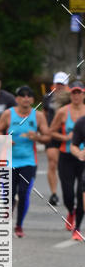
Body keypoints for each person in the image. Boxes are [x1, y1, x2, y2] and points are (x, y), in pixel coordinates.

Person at [0, 85, 50, 237]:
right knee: (9, 195)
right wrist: (5, 139)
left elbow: (47, 137)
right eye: (22, 96)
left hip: (28, 161)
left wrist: (37, 137)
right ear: (17, 99)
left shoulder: (38, 116)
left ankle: (19, 225)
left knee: (24, 193)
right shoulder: (8, 114)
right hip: (9, 161)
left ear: (32, 99)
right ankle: (6, 220)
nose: (26, 98)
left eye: (29, 96)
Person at [49, 80, 85, 235]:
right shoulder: (63, 112)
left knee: (81, 193)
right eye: (73, 93)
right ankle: (71, 211)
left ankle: (78, 226)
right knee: (68, 194)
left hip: (83, 158)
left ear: (83, 95)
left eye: (79, 93)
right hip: (66, 156)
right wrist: (64, 138)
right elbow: (51, 131)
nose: (76, 96)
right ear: (70, 94)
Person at [42, 71, 70, 206]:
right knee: (53, 162)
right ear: (54, 84)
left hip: (67, 134)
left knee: (67, 166)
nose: (59, 86)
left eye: (62, 84)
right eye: (57, 83)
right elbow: (44, 114)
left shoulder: (71, 97)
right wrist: (44, 129)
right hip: (52, 134)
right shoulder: (47, 98)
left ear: (66, 85)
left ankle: (69, 192)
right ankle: (53, 194)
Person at [69, 106, 85, 242]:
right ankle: (77, 227)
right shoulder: (81, 122)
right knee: (80, 197)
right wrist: (79, 153)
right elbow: (74, 145)